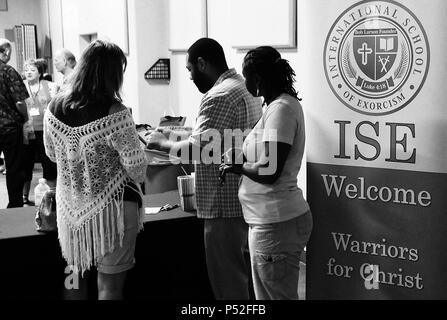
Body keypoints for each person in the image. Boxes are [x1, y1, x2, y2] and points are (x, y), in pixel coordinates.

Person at [147, 38, 262, 300]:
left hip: (222, 203)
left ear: (202, 63)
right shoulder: (245, 88)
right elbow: (222, 139)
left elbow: (199, 149)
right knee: (249, 281)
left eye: (189, 70)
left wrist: (162, 143)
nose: (189, 77)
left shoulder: (217, 96)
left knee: (228, 283)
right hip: (246, 198)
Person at [43, 39, 147, 300]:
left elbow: (51, 154)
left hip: (70, 212)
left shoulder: (53, 108)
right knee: (109, 288)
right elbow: (137, 170)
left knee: (73, 278)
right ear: (113, 74)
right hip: (115, 212)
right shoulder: (116, 112)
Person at [220, 46, 313, 300]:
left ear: (257, 79)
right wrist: (241, 157)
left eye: (246, 76)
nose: (244, 82)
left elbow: (271, 170)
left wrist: (237, 167)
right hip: (270, 221)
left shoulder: (282, 109)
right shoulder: (275, 107)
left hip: (276, 223)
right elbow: (266, 158)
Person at [22, 58, 59, 205]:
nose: (29, 73)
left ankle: (51, 193)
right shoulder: (21, 87)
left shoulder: (50, 86)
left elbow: (56, 106)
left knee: (48, 162)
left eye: (32, 70)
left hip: (46, 130)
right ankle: (24, 195)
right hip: (27, 130)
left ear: (40, 72)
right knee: (26, 163)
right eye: (26, 70)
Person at [0, 38, 29, 208]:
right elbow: (19, 102)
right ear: (5, 51)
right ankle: (15, 205)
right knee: (14, 168)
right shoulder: (8, 71)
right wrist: (25, 118)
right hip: (9, 128)